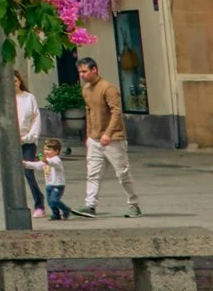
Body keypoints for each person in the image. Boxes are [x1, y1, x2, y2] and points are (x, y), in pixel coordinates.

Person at [77, 57, 143, 217]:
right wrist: (89, 135)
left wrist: (108, 133)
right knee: (93, 173)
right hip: (94, 138)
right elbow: (89, 112)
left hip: (113, 139)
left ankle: (134, 204)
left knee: (122, 173)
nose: (82, 75)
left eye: (85, 71)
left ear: (94, 70)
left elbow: (116, 112)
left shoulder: (108, 88)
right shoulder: (86, 89)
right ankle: (90, 205)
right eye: (80, 72)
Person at [12, 71, 46, 215]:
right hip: (11, 143)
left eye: (15, 81)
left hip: (27, 141)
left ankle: (39, 204)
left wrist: (29, 137)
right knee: (12, 175)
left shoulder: (29, 98)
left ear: (19, 81)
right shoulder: (6, 100)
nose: (13, 84)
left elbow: (35, 119)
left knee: (28, 172)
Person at [40, 139, 71, 219]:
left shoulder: (56, 160)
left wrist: (47, 161)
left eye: (49, 150)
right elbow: (37, 165)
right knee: (50, 202)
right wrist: (26, 164)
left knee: (54, 200)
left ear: (56, 151)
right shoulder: (46, 161)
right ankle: (56, 214)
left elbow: (54, 163)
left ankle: (66, 209)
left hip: (57, 185)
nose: (46, 151)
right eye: (45, 149)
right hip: (49, 185)